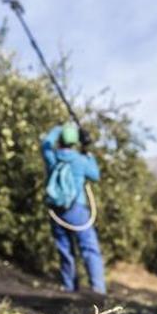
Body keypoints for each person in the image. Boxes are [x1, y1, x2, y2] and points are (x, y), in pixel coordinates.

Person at [41, 124, 106, 294]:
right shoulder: (80, 160)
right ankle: (97, 288)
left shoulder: (53, 158)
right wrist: (87, 150)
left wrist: (58, 128)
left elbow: (46, 143)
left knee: (64, 248)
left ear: (60, 140)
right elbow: (96, 175)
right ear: (74, 142)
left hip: (57, 210)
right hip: (77, 209)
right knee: (89, 247)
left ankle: (69, 286)